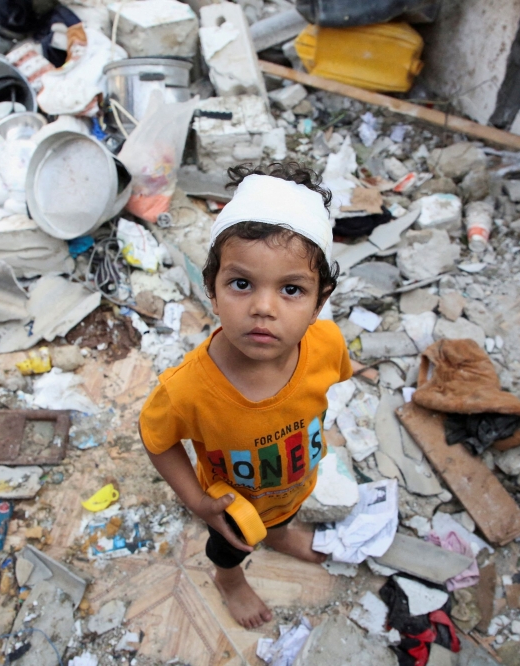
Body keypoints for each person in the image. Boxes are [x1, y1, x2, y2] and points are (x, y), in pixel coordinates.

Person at [139, 162, 352, 629]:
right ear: (212, 290)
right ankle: (229, 581)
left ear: (320, 301)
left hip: (295, 484)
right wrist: (197, 501)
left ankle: (279, 533)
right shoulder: (187, 390)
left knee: (282, 515)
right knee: (231, 547)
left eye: (292, 289)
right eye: (241, 284)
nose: (263, 307)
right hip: (231, 508)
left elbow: (316, 399)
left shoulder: (328, 346)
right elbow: (157, 439)